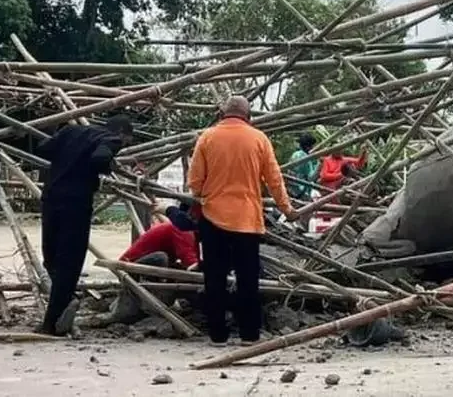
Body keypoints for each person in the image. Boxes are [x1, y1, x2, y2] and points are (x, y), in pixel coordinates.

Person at [188, 95, 296, 346]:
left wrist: (201, 197)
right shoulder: (259, 139)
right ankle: (249, 334)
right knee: (248, 279)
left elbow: (195, 183)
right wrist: (287, 209)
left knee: (214, 278)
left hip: (213, 218)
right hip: (247, 220)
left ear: (222, 114)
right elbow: (274, 180)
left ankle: (217, 335)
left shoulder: (207, 137)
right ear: (249, 116)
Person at [36, 115, 133, 336]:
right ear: (121, 134)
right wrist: (106, 168)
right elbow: (100, 158)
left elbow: (42, 149)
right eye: (127, 142)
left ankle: (60, 307)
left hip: (51, 199)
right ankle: (53, 321)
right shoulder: (110, 140)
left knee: (50, 255)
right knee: (69, 264)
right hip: (76, 205)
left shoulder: (70, 131)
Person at [101, 203, 199, 325]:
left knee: (175, 266)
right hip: (132, 267)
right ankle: (154, 300)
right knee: (162, 258)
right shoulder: (182, 229)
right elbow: (189, 260)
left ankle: (159, 298)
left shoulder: (191, 232)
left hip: (147, 264)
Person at [287, 132, 319, 199]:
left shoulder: (295, 154)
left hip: (291, 189)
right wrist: (320, 164)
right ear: (308, 147)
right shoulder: (305, 157)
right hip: (300, 191)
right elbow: (311, 178)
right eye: (313, 146)